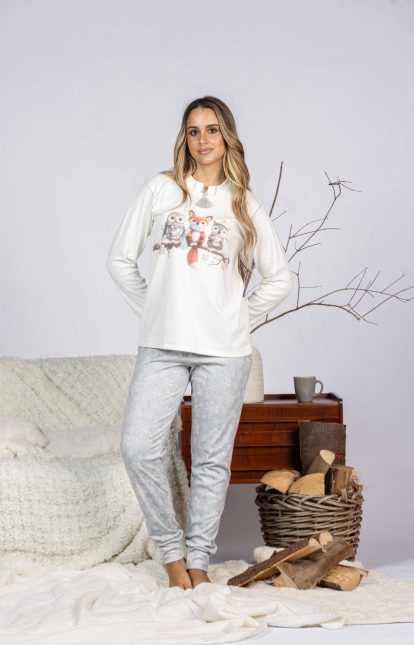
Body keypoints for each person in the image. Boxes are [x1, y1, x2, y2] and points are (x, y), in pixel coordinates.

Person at [106, 95, 294, 589]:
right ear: (184, 138)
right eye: (194, 131)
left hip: (224, 352)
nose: (203, 139)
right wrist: (154, 310)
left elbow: (280, 279)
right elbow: (119, 261)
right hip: (162, 346)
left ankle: (198, 563)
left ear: (227, 137)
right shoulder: (161, 189)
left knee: (211, 461)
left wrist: (237, 316)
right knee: (138, 447)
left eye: (212, 130)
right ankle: (172, 554)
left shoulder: (243, 202)